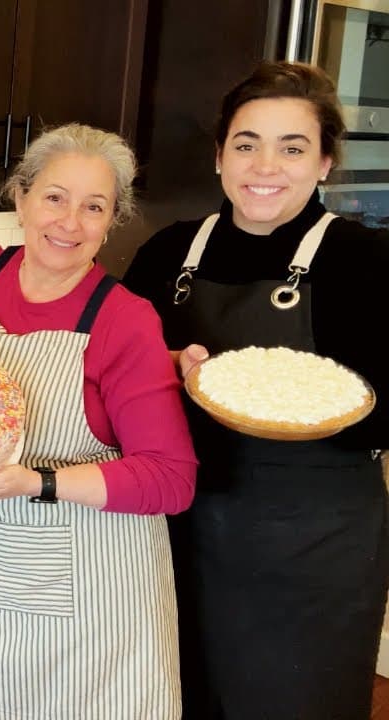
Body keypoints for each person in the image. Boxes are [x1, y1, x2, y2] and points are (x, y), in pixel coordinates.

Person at [0, 123, 198, 719]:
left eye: (95, 207)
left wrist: (37, 480)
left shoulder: (124, 319)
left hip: (88, 610)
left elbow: (171, 479)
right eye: (55, 197)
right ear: (21, 199)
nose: (70, 222)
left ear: (111, 222)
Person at [122, 61, 389, 719]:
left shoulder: (364, 262)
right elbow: (107, 375)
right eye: (246, 143)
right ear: (220, 155)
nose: (264, 165)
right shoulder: (168, 254)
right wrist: (158, 368)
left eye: (292, 147)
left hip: (308, 551)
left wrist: (293, 401)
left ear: (324, 162)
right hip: (174, 535)